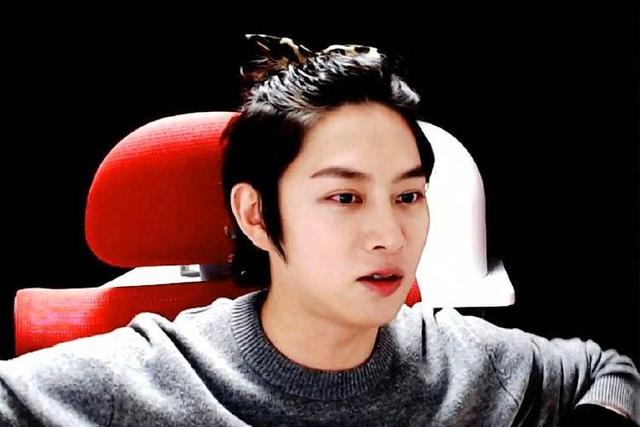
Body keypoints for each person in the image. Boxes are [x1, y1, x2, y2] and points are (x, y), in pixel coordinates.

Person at [0, 34, 638, 426]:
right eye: (344, 197)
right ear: (256, 215)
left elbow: (607, 369)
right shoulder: (142, 378)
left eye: (408, 196)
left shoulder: (464, 361)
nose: (390, 235)